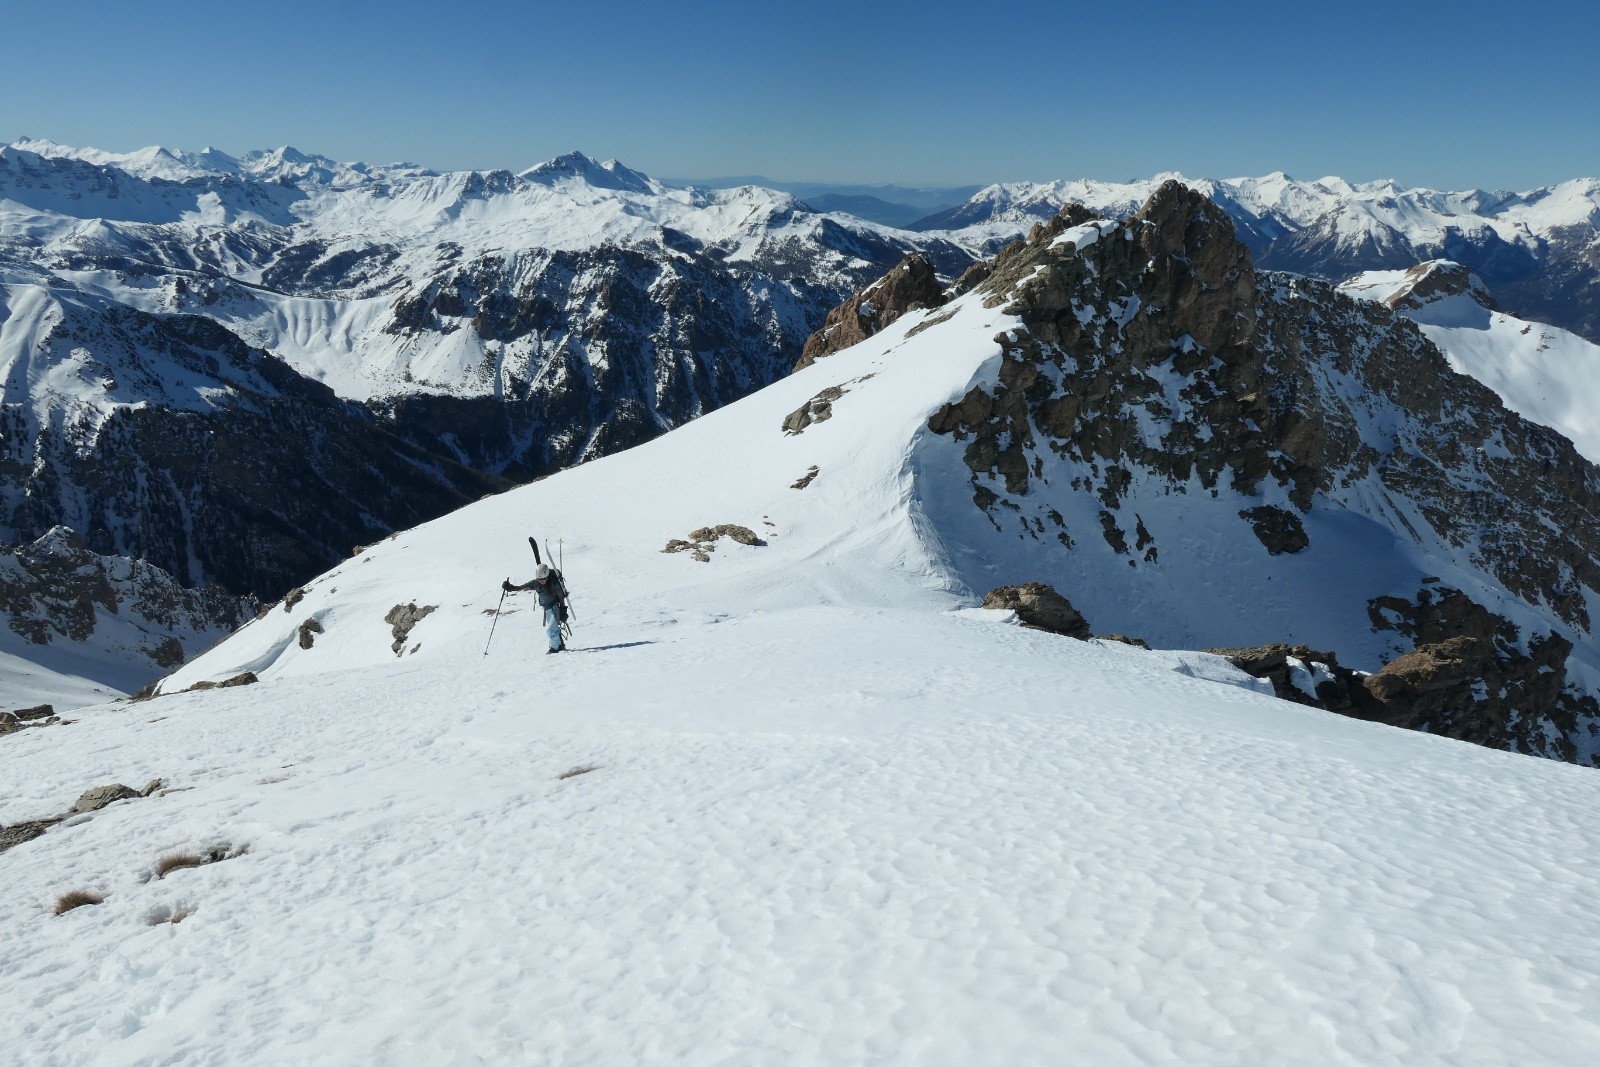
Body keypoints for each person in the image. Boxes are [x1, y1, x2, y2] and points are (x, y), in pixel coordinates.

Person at [502, 563, 569, 654]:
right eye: (539, 579)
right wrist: (510, 588)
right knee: (553, 628)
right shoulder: (535, 583)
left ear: (547, 576)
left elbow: (561, 597)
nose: (541, 581)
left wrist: (563, 610)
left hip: (555, 607)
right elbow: (521, 587)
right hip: (547, 608)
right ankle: (560, 645)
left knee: (550, 629)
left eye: (544, 579)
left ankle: (554, 648)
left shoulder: (554, 583)